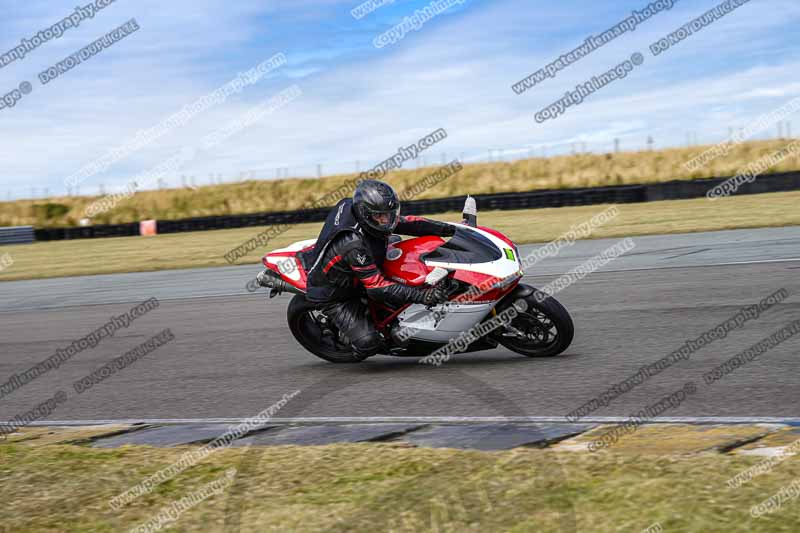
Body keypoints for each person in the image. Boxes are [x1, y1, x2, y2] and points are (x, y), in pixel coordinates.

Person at [301, 179, 455, 361]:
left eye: (389, 214)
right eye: (380, 216)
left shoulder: (371, 214)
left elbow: (410, 223)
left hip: (356, 268)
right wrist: (424, 296)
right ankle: (347, 348)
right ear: (365, 214)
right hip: (336, 293)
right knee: (369, 343)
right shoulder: (353, 244)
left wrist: (452, 229)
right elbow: (377, 288)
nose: (386, 220)